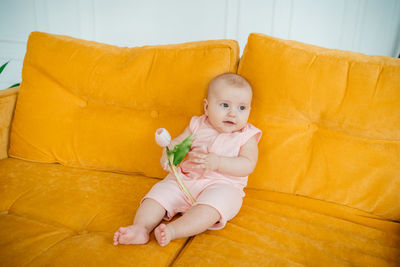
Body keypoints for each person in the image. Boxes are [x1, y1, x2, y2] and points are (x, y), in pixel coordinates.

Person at [113, 73, 262, 247]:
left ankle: (173, 231)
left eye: (242, 108)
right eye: (224, 105)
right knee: (158, 194)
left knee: (216, 205)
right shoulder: (197, 124)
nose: (232, 114)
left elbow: (248, 164)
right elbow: (177, 144)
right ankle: (140, 228)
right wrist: (169, 156)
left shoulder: (247, 136)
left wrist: (219, 162)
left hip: (222, 186)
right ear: (206, 107)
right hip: (184, 179)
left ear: (249, 110)